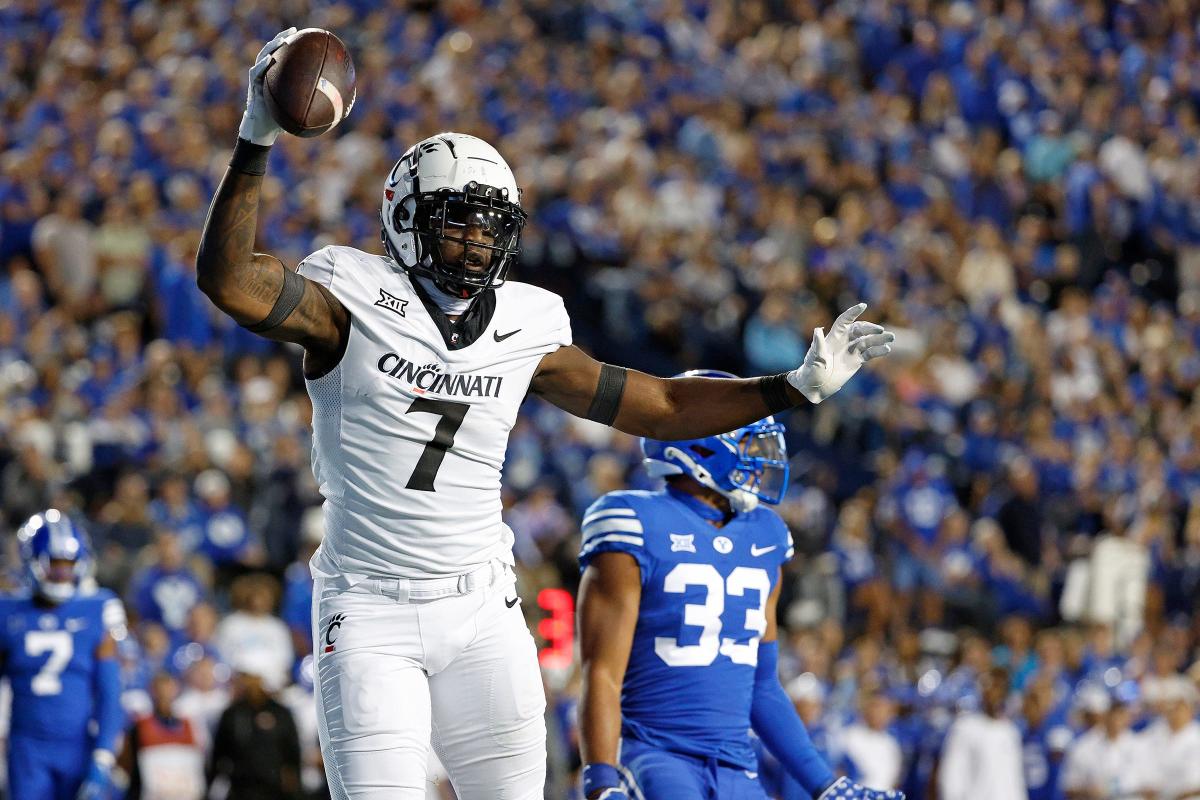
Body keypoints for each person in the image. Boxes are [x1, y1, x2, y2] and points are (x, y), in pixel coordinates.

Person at [195, 30, 895, 800]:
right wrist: (257, 134)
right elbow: (229, 281)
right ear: (406, 216)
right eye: (461, 220)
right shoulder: (349, 297)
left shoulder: (525, 324)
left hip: (482, 607)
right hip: (370, 611)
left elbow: (657, 405)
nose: (478, 243)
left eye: (494, 226)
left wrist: (790, 388)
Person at [575, 382, 903, 800]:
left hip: (736, 764)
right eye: (744, 438)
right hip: (655, 755)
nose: (759, 456)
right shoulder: (634, 521)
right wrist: (601, 781)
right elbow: (601, 671)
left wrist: (827, 785)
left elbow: (762, 685)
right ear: (700, 446)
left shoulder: (764, 536)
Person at [0, 510, 126, 800]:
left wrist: (103, 756)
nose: (62, 573)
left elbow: (110, 691)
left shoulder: (98, 608)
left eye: (69, 564)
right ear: (34, 562)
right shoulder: (7, 612)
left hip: (78, 744)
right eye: (54, 564)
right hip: (26, 747)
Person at [208, 652, 302, 800]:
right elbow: (218, 756)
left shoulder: (280, 713)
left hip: (275, 791)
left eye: (249, 676)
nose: (245, 682)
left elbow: (293, 755)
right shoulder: (232, 713)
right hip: (240, 790)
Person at [937, 667, 1027, 800]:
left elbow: (1016, 781)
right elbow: (951, 776)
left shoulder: (1011, 731)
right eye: (991, 687)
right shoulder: (965, 726)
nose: (995, 694)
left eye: (1000, 688)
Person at [120, 670, 206, 800]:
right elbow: (127, 762)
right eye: (160, 689)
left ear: (176, 690)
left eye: (168, 688)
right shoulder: (140, 725)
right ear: (152, 691)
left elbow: (198, 763)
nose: (164, 694)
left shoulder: (189, 725)